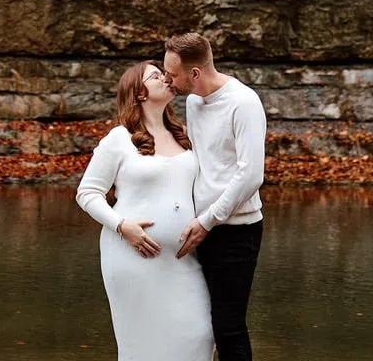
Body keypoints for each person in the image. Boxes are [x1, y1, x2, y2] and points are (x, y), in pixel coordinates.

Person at [75, 60, 215, 361]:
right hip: (133, 257)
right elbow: (87, 193)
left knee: (201, 334)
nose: (166, 78)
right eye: (156, 75)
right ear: (139, 93)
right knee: (143, 346)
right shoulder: (119, 139)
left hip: (183, 259)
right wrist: (122, 225)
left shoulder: (186, 135)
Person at [162, 32, 266, 361]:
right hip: (199, 227)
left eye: (172, 73)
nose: (167, 79)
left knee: (228, 326)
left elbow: (251, 175)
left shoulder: (244, 103)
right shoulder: (194, 102)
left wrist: (208, 220)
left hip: (236, 230)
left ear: (194, 73)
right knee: (197, 323)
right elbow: (199, 162)